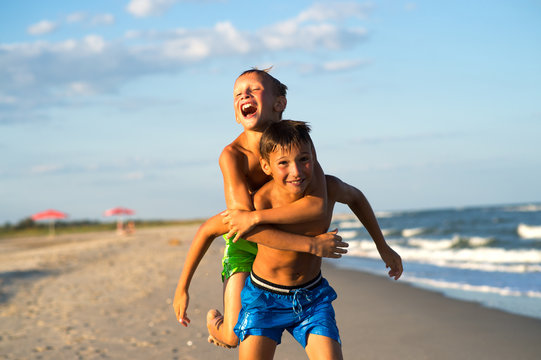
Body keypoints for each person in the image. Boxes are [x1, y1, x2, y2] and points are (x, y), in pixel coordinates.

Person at [173, 69, 348, 348]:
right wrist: (182, 288)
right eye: (237, 94)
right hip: (249, 241)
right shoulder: (233, 156)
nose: (244, 95)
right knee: (232, 337)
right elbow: (243, 227)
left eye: (253, 89)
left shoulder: (297, 141)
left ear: (279, 104)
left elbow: (316, 206)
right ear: (236, 112)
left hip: (281, 246)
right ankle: (215, 324)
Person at [234, 120, 403, 360]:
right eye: (283, 163)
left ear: (314, 157)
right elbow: (246, 230)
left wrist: (382, 246)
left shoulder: (328, 188)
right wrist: (312, 245)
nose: (296, 171)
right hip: (265, 297)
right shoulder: (262, 201)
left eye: (304, 159)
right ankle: (217, 325)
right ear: (266, 166)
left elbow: (356, 198)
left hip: (311, 298)